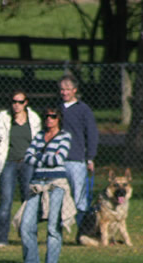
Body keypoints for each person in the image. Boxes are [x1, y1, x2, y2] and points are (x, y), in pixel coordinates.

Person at [15, 108, 76, 263]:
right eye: (46, 116)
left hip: (56, 185)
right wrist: (46, 156)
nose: (49, 119)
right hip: (36, 184)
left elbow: (58, 159)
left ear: (59, 119)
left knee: (53, 228)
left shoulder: (65, 136)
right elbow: (28, 156)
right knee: (26, 225)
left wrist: (39, 155)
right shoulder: (39, 135)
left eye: (53, 116)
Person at [0, 90, 42, 247]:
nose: (17, 105)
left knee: (28, 202)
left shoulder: (34, 118)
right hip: (8, 163)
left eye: (20, 102)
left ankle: (27, 236)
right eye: (14, 101)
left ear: (26, 103)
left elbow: (39, 139)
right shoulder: (2, 117)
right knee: (6, 201)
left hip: (28, 163)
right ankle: (2, 239)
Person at [58, 73, 98, 235]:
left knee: (80, 199)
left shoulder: (83, 109)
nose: (64, 92)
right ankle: (57, 232)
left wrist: (90, 158)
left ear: (74, 90)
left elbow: (92, 134)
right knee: (58, 197)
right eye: (61, 89)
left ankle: (83, 233)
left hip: (76, 160)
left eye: (67, 89)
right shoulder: (57, 108)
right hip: (58, 161)